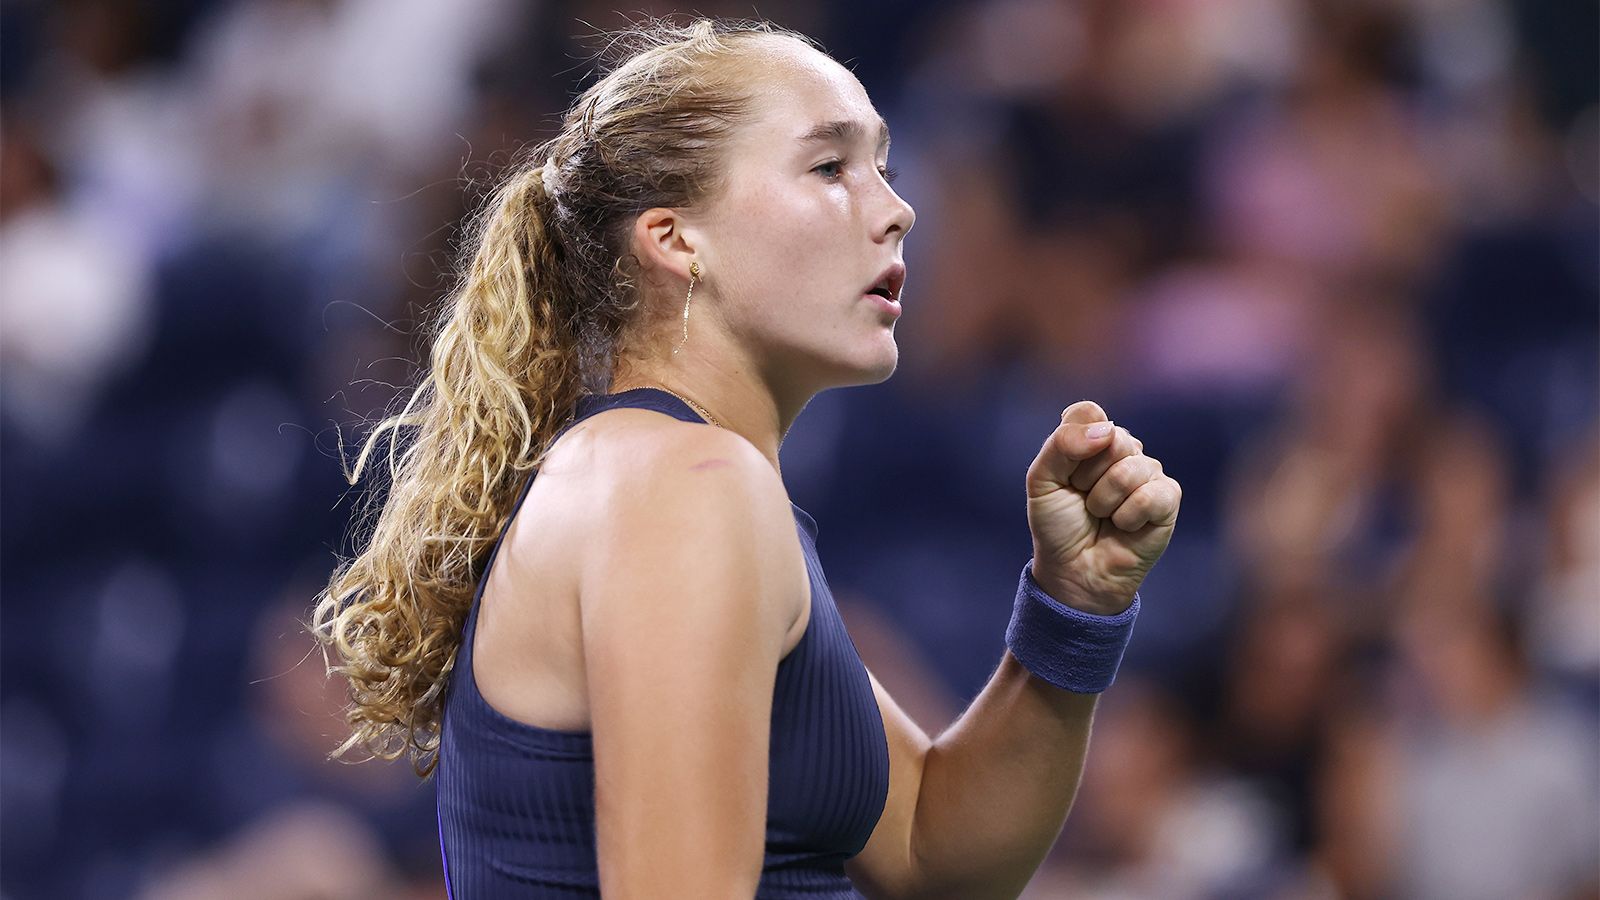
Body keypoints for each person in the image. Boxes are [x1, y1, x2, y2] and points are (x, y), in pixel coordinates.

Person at [313, 17, 1182, 899]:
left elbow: (931, 853)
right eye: (830, 167)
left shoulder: (670, 475)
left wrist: (1073, 608)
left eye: (884, 166)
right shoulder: (686, 488)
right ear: (676, 239)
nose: (897, 208)